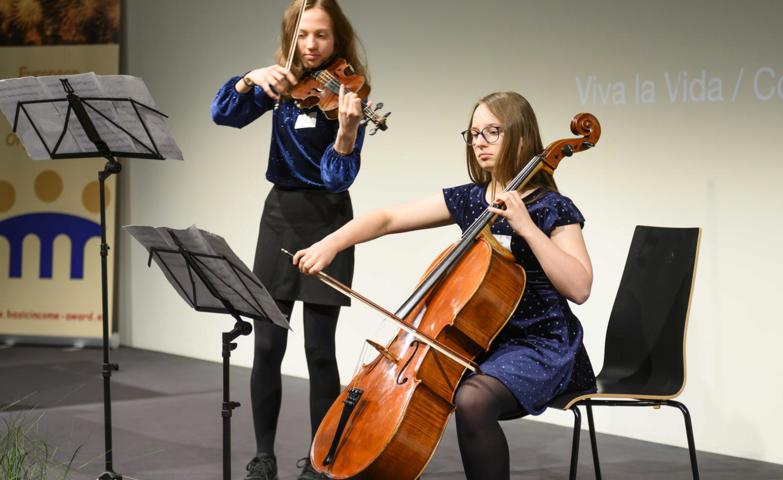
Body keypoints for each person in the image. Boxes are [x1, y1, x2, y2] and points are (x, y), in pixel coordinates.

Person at [293, 91, 598, 479]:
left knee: (472, 399)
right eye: (474, 134)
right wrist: (331, 243)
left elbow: (579, 287)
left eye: (492, 132)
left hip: (540, 344)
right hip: (478, 344)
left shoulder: (551, 207)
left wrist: (527, 227)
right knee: (414, 397)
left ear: (521, 138)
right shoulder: (471, 200)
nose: (480, 142)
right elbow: (387, 218)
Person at [209, 1, 369, 479]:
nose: (311, 45)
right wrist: (249, 79)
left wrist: (346, 133)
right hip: (278, 216)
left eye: (321, 35)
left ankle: (321, 461)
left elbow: (338, 179)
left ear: (337, 38)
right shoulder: (279, 85)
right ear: (291, 37)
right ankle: (264, 456)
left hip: (328, 220)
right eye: (303, 35)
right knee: (266, 346)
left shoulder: (349, 90)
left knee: (320, 351)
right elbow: (223, 115)